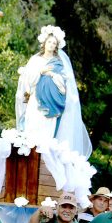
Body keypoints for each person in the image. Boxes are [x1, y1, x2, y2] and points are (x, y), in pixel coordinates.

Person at [14, 25, 92, 157]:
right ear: (44, 43)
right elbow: (28, 80)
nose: (51, 45)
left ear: (56, 46)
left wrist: (52, 75)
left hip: (51, 101)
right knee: (32, 125)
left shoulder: (58, 63)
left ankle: (43, 158)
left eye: (54, 43)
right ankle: (29, 155)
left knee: (46, 130)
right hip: (36, 100)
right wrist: (41, 71)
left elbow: (63, 83)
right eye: (49, 42)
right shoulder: (35, 60)